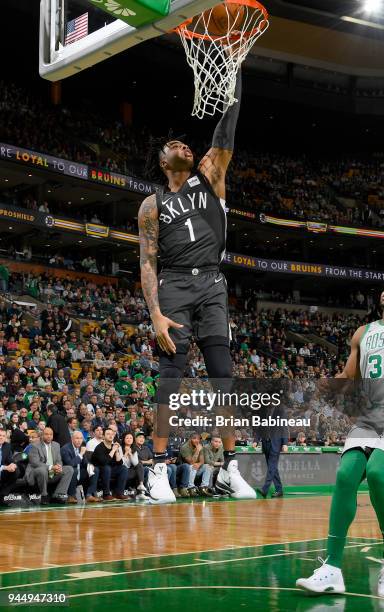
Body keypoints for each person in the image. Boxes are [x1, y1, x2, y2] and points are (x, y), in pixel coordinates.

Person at [138, 69, 255, 503]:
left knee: (223, 377)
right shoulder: (152, 205)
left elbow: (227, 126)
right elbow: (147, 261)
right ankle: (158, 471)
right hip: (173, 287)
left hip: (211, 282)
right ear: (164, 162)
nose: (185, 146)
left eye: (187, 143)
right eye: (175, 146)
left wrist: (234, 71)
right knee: (170, 378)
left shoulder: (210, 173)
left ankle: (231, 468)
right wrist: (154, 314)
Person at [297, 280, 384, 598]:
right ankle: (331, 568)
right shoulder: (363, 332)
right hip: (369, 418)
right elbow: (349, 377)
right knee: (346, 476)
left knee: (376, 473)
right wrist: (328, 385)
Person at [25, 427, 74, 505]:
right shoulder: (35, 446)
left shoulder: (56, 445)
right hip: (36, 473)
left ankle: (58, 495)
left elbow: (59, 460)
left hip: (52, 473)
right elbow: (35, 462)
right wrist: (51, 467)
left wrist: (59, 467)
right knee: (42, 470)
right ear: (42, 435)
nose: (49, 436)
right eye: (46, 434)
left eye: (51, 434)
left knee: (69, 469)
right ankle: (44, 495)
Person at [61, 431, 99, 503]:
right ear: (72, 439)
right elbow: (70, 464)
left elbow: (84, 462)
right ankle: (71, 496)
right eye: (77, 438)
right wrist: (81, 454)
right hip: (69, 475)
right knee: (74, 470)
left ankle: (89, 495)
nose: (79, 440)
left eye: (81, 438)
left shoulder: (80, 448)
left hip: (79, 474)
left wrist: (89, 465)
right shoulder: (65, 449)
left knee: (95, 469)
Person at [91, 428, 129, 501]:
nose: (110, 436)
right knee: (107, 468)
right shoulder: (99, 447)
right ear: (103, 436)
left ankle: (119, 493)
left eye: (112, 434)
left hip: (110, 470)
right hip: (99, 470)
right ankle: (106, 494)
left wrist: (117, 451)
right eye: (108, 434)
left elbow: (119, 462)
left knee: (123, 468)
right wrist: (113, 450)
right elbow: (104, 462)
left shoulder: (113, 446)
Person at [0, 428, 18, 502]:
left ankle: (3, 495)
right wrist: (5, 467)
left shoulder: (7, 446)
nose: (1, 437)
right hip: (1, 469)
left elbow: (10, 460)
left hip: (2, 472)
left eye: (3, 436)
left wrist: (13, 465)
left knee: (16, 471)